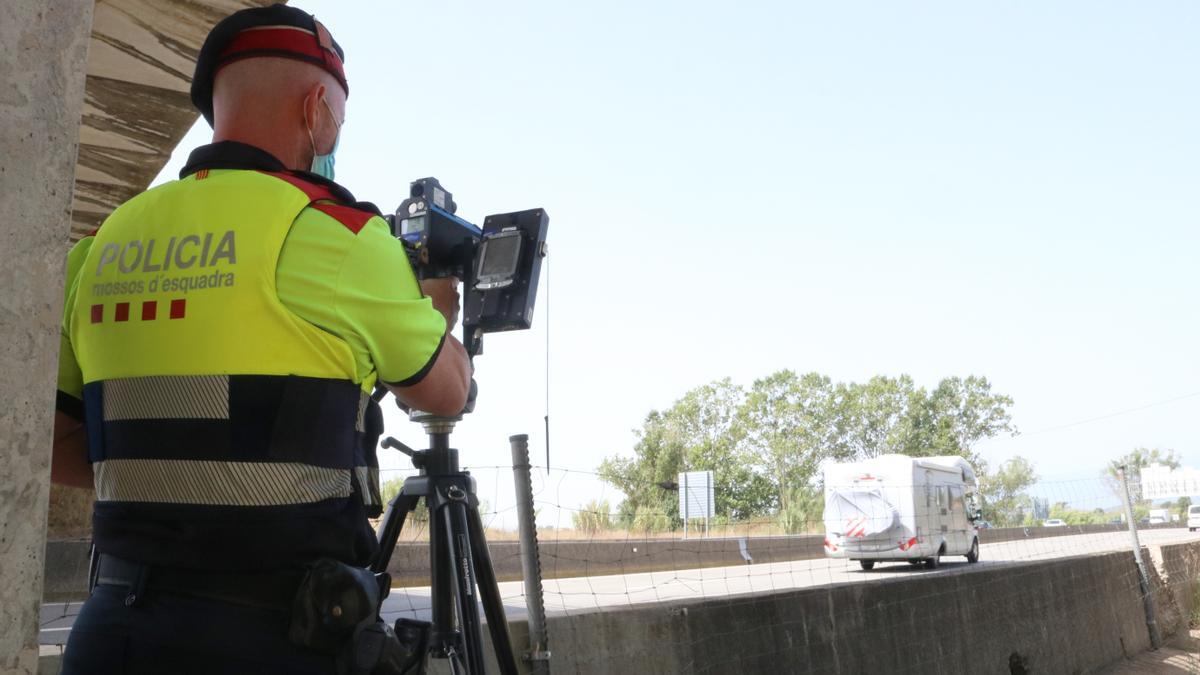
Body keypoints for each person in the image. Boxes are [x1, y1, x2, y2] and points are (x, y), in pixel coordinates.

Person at [54, 5, 471, 673]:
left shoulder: (99, 246)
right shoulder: (338, 234)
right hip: (279, 635)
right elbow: (446, 390)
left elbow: (59, 446)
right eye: (337, 117)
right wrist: (438, 311)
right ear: (316, 110)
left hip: (111, 632)